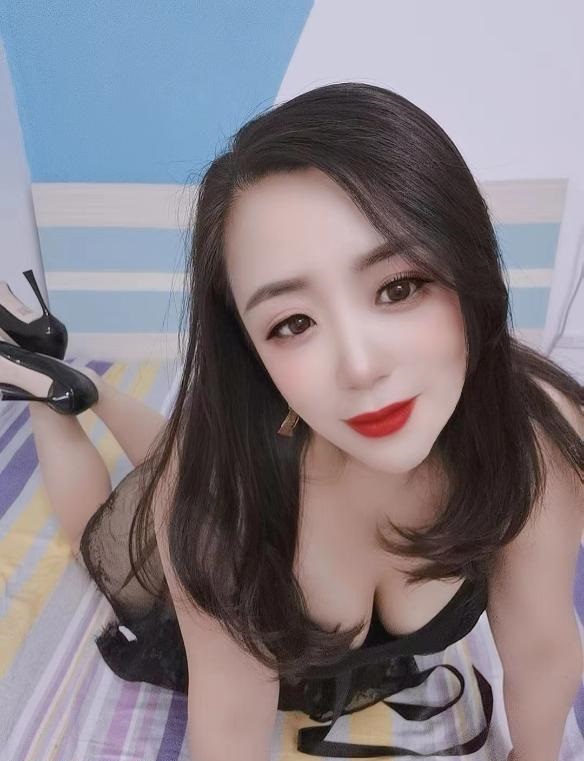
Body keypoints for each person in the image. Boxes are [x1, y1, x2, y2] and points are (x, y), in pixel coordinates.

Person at [1, 82, 582, 760]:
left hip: (225, 470)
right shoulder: (215, 505)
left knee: (174, 465)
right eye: (294, 323)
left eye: (398, 287)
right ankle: (52, 389)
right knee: (106, 530)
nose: (361, 367)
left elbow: (543, 649)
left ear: (467, 258)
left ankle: (88, 386)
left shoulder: (536, 435)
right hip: (209, 498)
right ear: (250, 348)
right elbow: (227, 736)